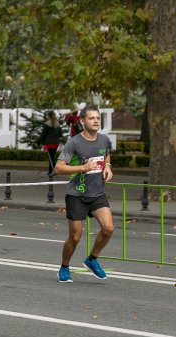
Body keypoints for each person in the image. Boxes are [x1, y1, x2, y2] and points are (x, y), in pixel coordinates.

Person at [54, 106, 113, 283]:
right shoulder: (74, 143)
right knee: (75, 236)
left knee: (108, 228)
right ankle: (64, 267)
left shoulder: (104, 140)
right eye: (91, 118)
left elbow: (106, 155)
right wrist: (82, 167)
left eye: (97, 118)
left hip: (97, 193)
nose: (96, 121)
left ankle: (92, 259)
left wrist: (108, 167)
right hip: (77, 195)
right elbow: (58, 168)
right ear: (82, 121)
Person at [39, 110, 63, 175]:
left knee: (51, 158)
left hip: (49, 143)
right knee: (52, 157)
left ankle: (55, 171)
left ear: (48, 116)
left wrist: (40, 141)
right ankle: (50, 171)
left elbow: (43, 134)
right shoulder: (57, 123)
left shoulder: (47, 124)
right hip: (56, 143)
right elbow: (60, 134)